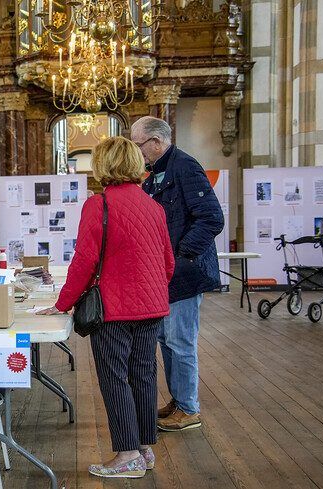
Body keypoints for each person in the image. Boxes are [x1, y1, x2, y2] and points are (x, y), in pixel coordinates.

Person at [39, 136, 174, 479]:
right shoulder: (153, 206)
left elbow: (84, 262)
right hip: (152, 306)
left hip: (114, 309)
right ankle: (143, 449)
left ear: (102, 166)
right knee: (143, 375)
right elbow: (168, 263)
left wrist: (63, 302)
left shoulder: (98, 205)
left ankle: (127, 455)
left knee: (115, 378)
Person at [132, 116, 225, 432]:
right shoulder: (155, 173)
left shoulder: (184, 166)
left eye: (138, 144)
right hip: (164, 276)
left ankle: (189, 408)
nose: (137, 151)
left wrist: (180, 253)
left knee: (180, 341)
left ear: (156, 142)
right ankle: (178, 399)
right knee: (166, 339)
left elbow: (212, 218)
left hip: (183, 273)